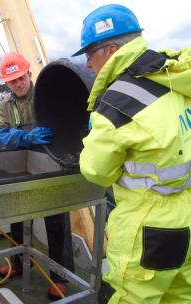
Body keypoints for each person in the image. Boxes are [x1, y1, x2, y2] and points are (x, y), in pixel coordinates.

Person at [74, 4, 191, 303]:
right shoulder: (175, 78)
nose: (88, 64)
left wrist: (92, 137)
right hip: (186, 218)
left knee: (132, 297)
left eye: (90, 53)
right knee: (180, 294)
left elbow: (96, 171)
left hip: (148, 230)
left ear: (111, 49)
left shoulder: (117, 102)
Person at [0, 51, 75, 300]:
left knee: (56, 221)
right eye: (12, 81)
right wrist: (23, 137)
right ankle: (19, 263)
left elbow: (67, 118)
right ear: (6, 84)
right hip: (23, 167)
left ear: (29, 74)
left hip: (51, 164)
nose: (18, 84)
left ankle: (60, 276)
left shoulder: (45, 94)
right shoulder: (4, 105)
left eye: (21, 78)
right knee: (18, 216)